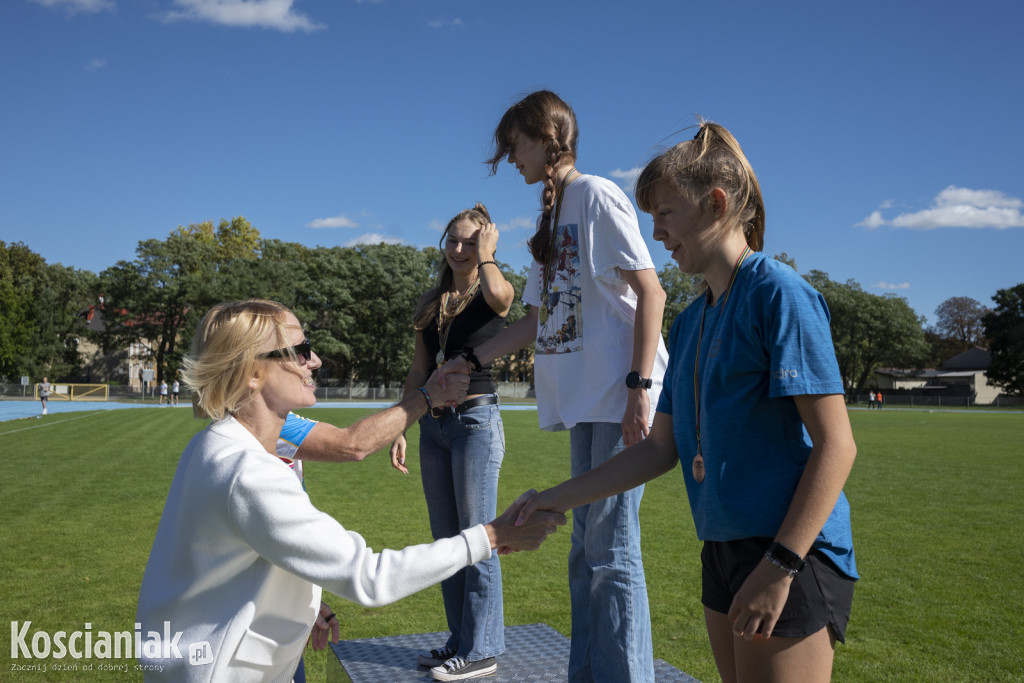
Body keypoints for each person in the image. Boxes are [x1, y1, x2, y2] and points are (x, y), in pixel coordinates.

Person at [516, 121, 858, 683]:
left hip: (787, 554)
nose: (656, 233)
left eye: (666, 214)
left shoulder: (779, 295)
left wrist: (781, 565)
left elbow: (836, 445)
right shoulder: (694, 317)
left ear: (716, 204)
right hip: (720, 549)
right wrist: (550, 501)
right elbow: (657, 451)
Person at [136, 299, 566, 682]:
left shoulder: (245, 438)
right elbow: (369, 577)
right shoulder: (246, 470)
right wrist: (493, 536)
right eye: (301, 350)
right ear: (251, 372)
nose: (316, 360)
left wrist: (299, 601)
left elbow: (248, 551)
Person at [446, 90, 669, 683]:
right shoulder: (549, 214)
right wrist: (467, 361)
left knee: (612, 552)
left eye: (514, 146)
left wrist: (638, 387)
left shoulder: (595, 194)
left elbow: (653, 292)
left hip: (622, 393)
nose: (510, 158)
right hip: (588, 400)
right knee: (584, 551)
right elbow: (535, 319)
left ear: (547, 137)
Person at [388, 203, 515, 681]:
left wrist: (488, 257)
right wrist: (401, 423)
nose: (460, 249)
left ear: (485, 245)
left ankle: (483, 649)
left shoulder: (490, 288)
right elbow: (419, 371)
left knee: (477, 535)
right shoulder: (431, 301)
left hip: (476, 424)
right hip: (433, 427)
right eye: (454, 240)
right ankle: (460, 641)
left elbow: (503, 298)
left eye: (470, 242)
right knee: (447, 542)